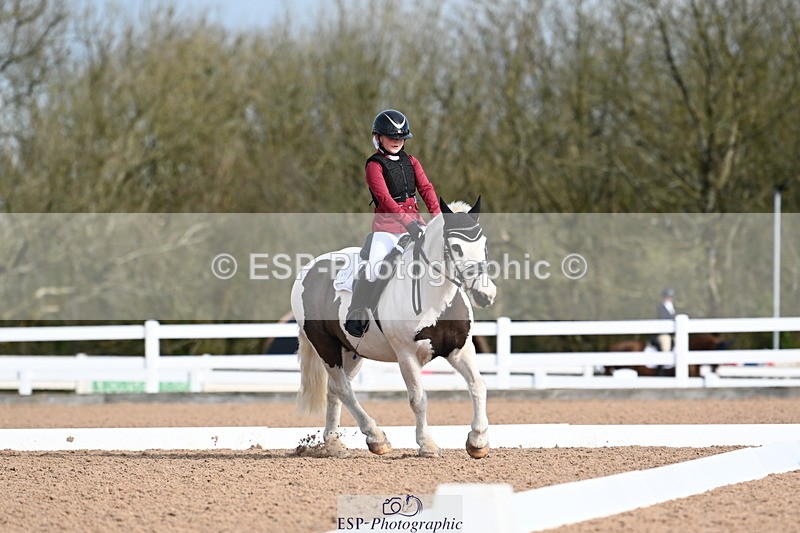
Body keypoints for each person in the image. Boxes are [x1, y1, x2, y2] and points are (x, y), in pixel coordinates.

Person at [344, 109, 441, 337]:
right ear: (378, 138)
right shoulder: (374, 166)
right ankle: (358, 313)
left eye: (400, 138)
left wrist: (438, 217)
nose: (397, 142)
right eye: (391, 137)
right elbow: (386, 200)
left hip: (417, 223)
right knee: (374, 267)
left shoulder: (412, 162)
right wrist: (409, 223)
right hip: (387, 229)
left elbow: (426, 188)